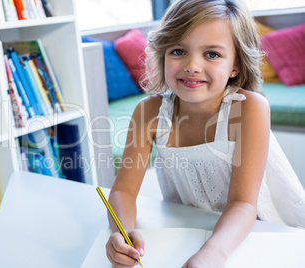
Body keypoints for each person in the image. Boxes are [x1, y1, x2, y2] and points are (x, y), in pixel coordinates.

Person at [105, 0, 305, 267]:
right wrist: (121, 232)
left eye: (211, 54)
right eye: (178, 51)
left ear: (235, 65)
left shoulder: (249, 109)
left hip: (258, 234)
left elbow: (243, 204)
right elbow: (123, 192)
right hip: (189, 230)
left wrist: (214, 252)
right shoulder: (148, 112)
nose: (192, 65)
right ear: (163, 55)